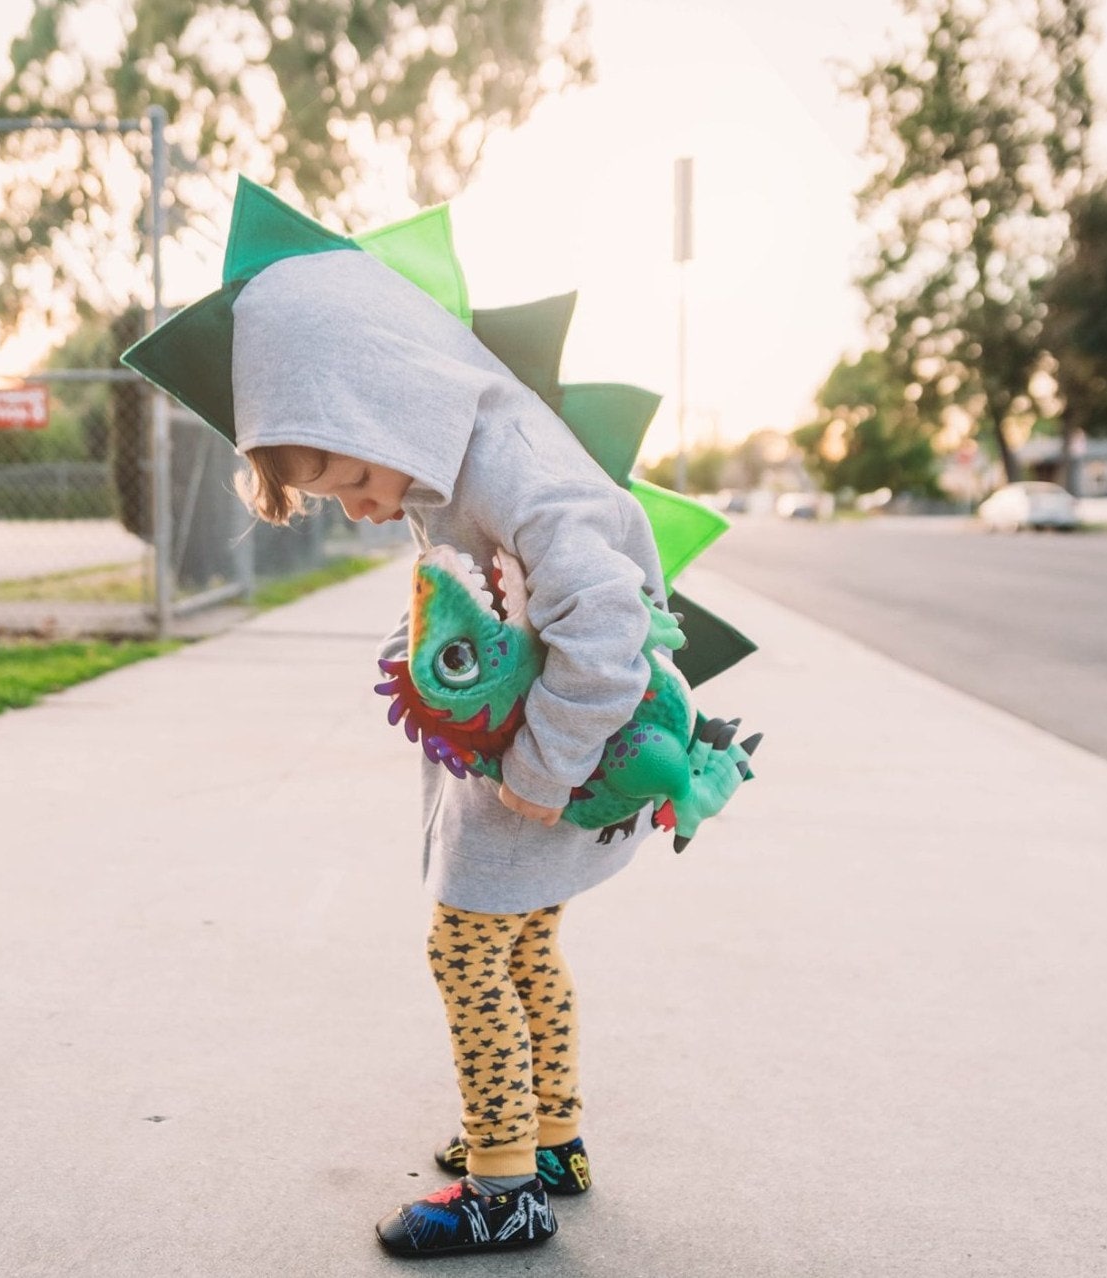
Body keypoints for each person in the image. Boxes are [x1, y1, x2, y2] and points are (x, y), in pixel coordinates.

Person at [230, 247, 687, 1258]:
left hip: (561, 765)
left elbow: (607, 628)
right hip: (538, 755)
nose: (355, 504)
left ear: (396, 394)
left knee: (463, 949)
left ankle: (501, 1187)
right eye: (327, 495)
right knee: (523, 946)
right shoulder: (441, 449)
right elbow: (469, 587)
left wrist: (538, 774)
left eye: (351, 474)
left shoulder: (518, 468)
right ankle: (550, 1141)